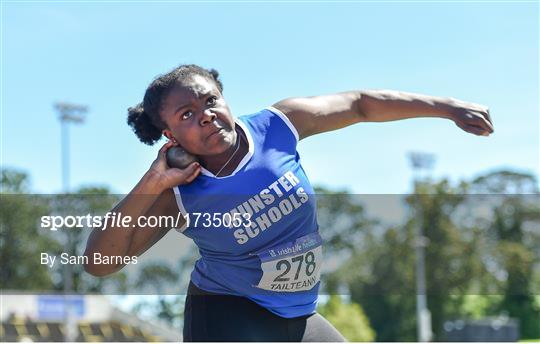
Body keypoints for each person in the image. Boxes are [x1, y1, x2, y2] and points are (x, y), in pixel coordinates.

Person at [83, 64, 494, 342]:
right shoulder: (178, 192)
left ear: (224, 99)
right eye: (186, 115)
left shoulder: (279, 126)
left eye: (209, 101)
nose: (205, 116)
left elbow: (359, 105)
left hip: (296, 313)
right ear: (170, 136)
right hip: (227, 315)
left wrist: (448, 108)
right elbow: (99, 264)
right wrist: (152, 181)